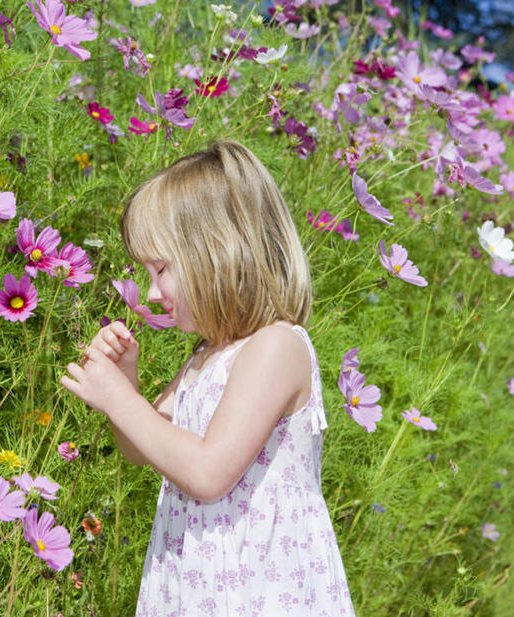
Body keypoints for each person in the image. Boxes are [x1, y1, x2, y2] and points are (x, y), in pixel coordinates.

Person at [61, 140, 355, 616]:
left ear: (216, 253)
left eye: (160, 270)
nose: (153, 294)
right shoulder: (205, 357)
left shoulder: (275, 347)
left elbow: (206, 473)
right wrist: (127, 384)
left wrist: (119, 399)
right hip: (200, 581)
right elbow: (142, 449)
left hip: (260, 587)